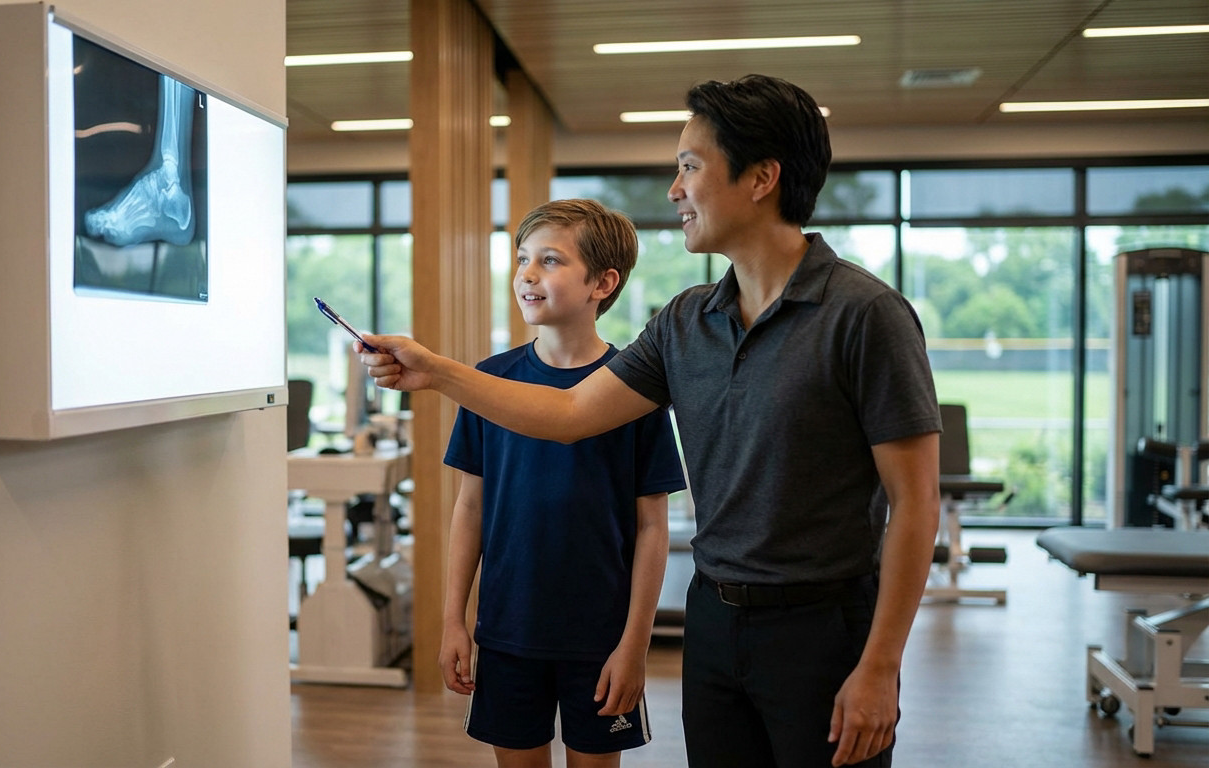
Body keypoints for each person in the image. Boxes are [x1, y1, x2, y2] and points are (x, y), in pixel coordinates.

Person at [362, 74, 941, 768]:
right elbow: (571, 412)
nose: (674, 189)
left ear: (761, 178)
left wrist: (880, 666)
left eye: (690, 167)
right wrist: (438, 372)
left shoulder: (865, 315)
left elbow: (915, 503)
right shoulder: (685, 322)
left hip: (822, 628)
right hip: (714, 622)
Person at [438, 199, 688, 767]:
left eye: (549, 261)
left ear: (603, 282)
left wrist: (635, 644)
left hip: (601, 640)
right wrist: (454, 619)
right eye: (523, 259)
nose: (527, 274)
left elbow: (653, 527)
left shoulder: (635, 391)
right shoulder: (488, 382)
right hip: (506, 632)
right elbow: (469, 510)